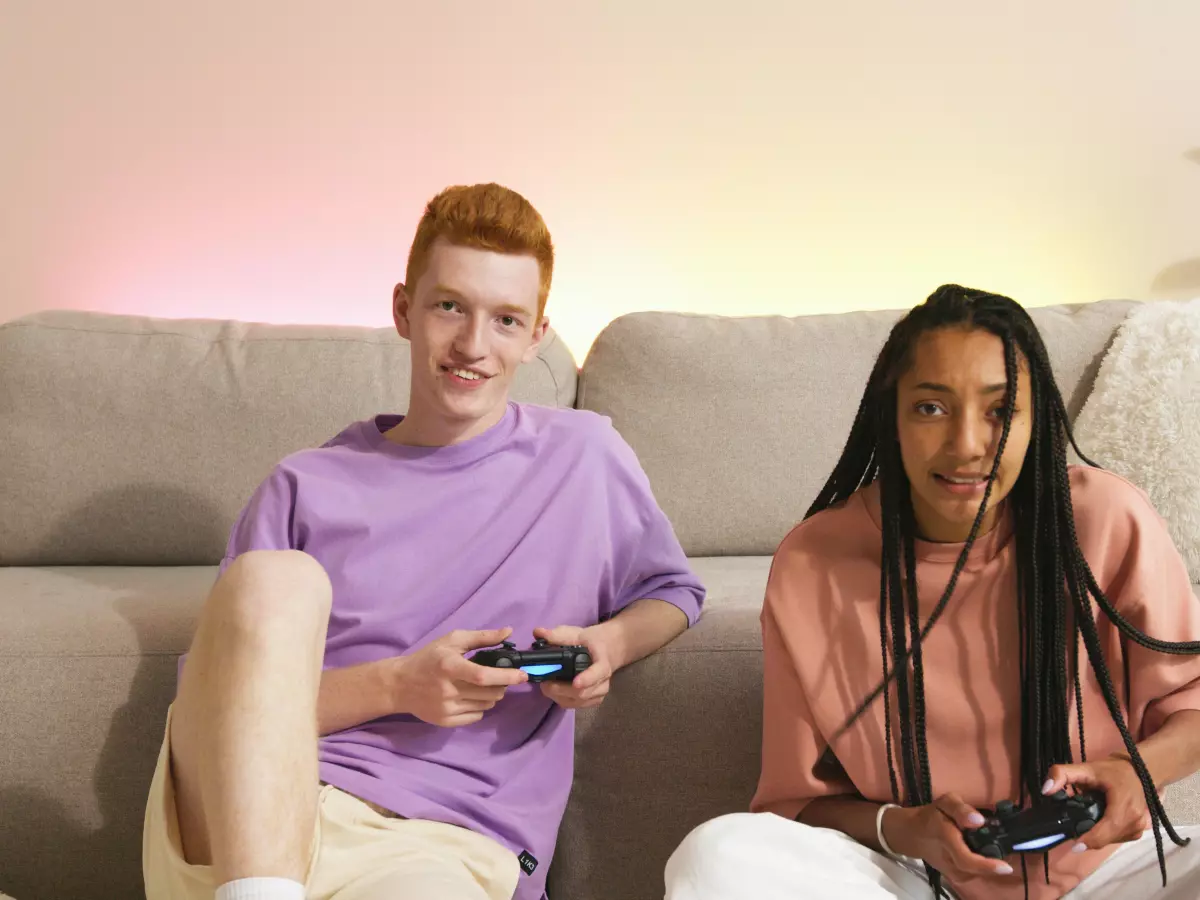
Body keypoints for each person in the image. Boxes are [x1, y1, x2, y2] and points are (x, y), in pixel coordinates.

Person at [142, 182, 705, 900]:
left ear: (536, 336)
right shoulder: (305, 484)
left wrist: (610, 647)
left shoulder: (586, 457)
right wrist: (400, 685)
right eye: (450, 307)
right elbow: (218, 706)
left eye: (506, 320)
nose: (474, 346)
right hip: (243, 823)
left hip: (438, 843)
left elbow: (673, 591)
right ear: (404, 310)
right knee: (274, 579)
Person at [664, 285, 1200, 900]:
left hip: (1103, 871)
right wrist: (905, 829)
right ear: (890, 417)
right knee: (715, 859)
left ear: (1038, 420)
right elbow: (798, 805)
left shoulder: (1107, 519)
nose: (967, 444)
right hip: (916, 881)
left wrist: (1135, 772)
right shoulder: (814, 562)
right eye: (931, 408)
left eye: (1002, 409)